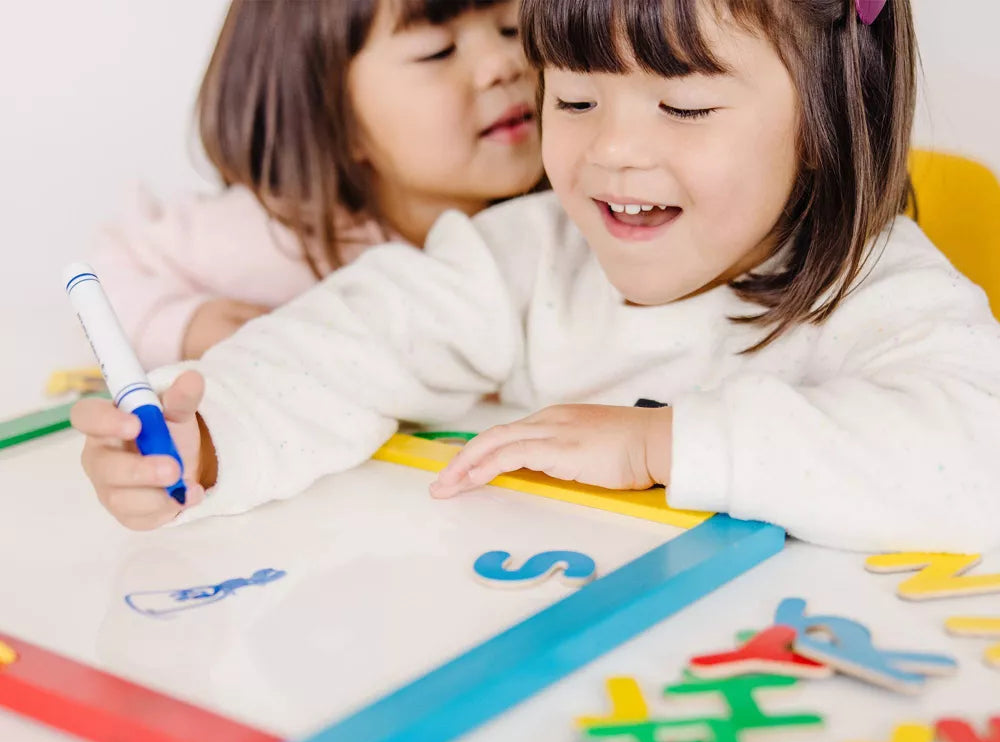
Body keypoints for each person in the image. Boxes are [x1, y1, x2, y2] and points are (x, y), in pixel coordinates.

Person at [72, 0, 1000, 552]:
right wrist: (208, 439)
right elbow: (347, 344)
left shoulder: (875, 283)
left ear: (830, 119)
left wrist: (659, 446)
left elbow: (976, 457)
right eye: (576, 96)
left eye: (684, 105)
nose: (613, 149)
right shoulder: (527, 252)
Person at [89, 0, 543, 366]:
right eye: (438, 50)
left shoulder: (569, 215)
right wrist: (184, 325)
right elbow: (103, 276)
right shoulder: (275, 238)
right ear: (331, 119)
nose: (506, 62)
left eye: (510, 27)